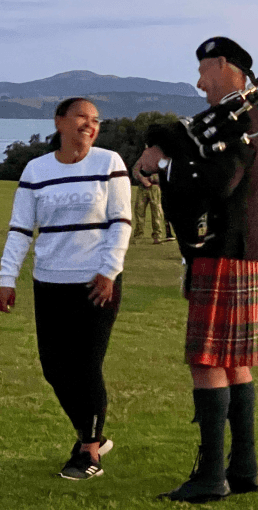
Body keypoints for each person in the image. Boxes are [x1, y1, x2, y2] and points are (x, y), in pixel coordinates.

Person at [134, 36, 258, 503]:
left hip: (225, 254)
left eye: (203, 72)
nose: (199, 84)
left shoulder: (238, 121)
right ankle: (244, 467)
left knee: (207, 361)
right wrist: (162, 142)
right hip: (249, 255)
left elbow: (218, 182)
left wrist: (165, 165)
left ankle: (211, 475)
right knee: (235, 363)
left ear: (223, 64)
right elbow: (194, 141)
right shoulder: (247, 119)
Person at [0, 97, 132, 479]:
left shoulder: (109, 163)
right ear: (59, 121)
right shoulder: (36, 169)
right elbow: (22, 229)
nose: (89, 125)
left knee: (86, 366)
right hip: (50, 281)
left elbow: (121, 222)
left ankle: (89, 451)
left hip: (96, 283)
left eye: (95, 120)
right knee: (55, 368)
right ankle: (90, 434)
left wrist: (109, 270)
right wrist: (6, 278)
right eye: (81, 117)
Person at [131, 166, 172, 244]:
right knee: (139, 212)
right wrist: (141, 178)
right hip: (142, 187)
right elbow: (135, 170)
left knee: (156, 213)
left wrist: (152, 178)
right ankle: (138, 236)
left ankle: (157, 237)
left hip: (155, 187)